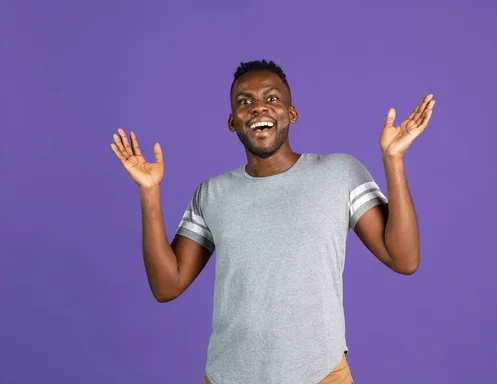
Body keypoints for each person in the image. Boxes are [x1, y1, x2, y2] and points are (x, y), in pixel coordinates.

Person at [110, 60, 435, 384]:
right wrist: (149, 192)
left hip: (320, 375)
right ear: (232, 122)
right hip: (228, 377)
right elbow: (167, 286)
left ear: (291, 114)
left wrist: (393, 160)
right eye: (244, 102)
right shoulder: (212, 194)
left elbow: (404, 259)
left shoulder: (340, 173)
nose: (258, 107)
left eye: (272, 98)